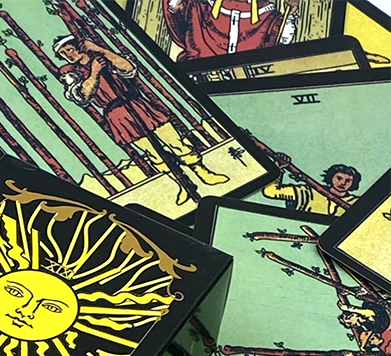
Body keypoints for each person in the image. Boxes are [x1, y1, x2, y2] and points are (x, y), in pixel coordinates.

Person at [55, 35, 228, 205]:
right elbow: (83, 96)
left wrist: (100, 50)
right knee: (153, 153)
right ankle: (182, 184)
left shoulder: (103, 57)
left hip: (137, 103)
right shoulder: (70, 73)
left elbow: (128, 69)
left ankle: (202, 171)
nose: (69, 55)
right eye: (63, 53)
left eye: (70, 49)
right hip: (116, 114)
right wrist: (95, 72)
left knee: (175, 141)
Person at [164, 0, 299, 61]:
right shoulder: (201, 6)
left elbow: (280, 40)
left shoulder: (266, 14)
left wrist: (289, 14)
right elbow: (177, 15)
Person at [262, 161, 361, 216]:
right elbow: (271, 192)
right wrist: (278, 168)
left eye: (348, 180)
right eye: (339, 178)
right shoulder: (308, 192)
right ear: (331, 177)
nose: (343, 183)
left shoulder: (356, 202)